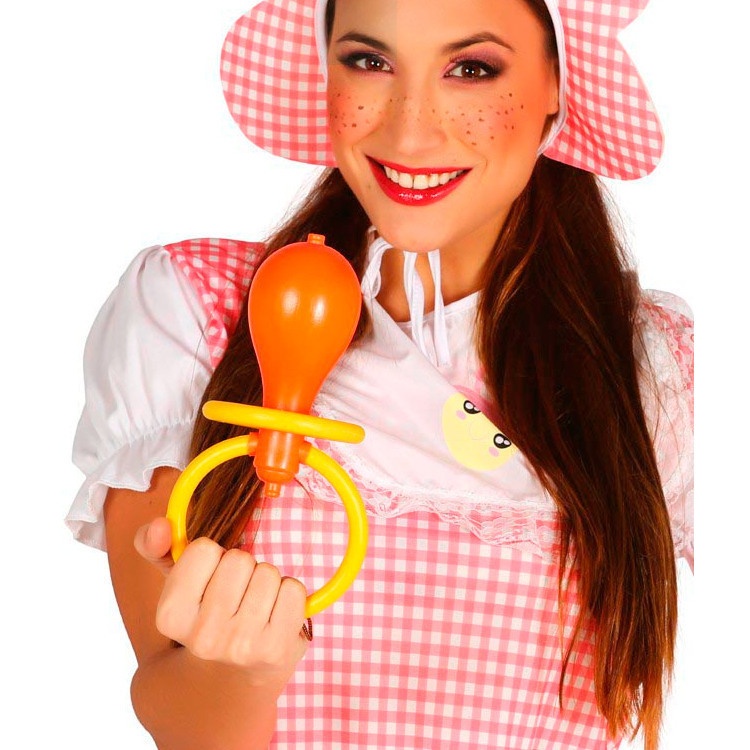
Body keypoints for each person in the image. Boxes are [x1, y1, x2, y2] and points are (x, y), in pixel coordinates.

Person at [65, 0, 693, 748]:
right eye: (369, 61)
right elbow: (175, 714)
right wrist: (236, 674)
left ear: (561, 80)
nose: (408, 132)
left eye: (471, 69)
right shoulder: (197, 310)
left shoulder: (659, 366)